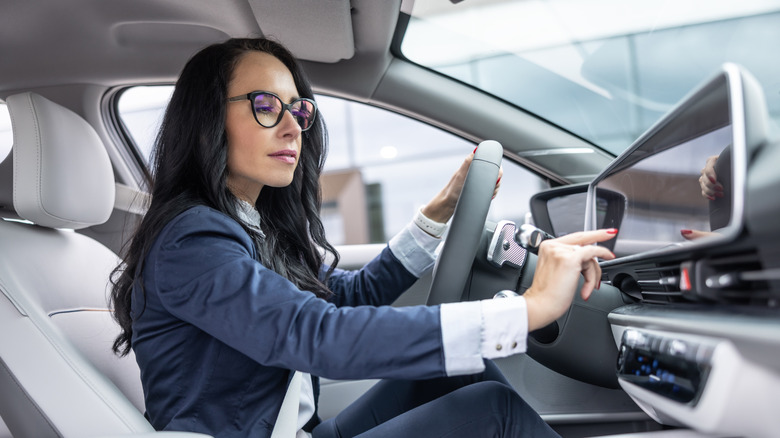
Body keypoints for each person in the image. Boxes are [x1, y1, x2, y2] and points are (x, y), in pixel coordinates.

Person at [110, 38, 616, 438]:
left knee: (459, 374)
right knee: (495, 411)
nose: (292, 128)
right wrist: (527, 311)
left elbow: (344, 297)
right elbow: (316, 335)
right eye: (266, 105)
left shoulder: (248, 225)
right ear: (206, 119)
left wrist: (440, 211)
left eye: (298, 109)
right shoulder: (192, 241)